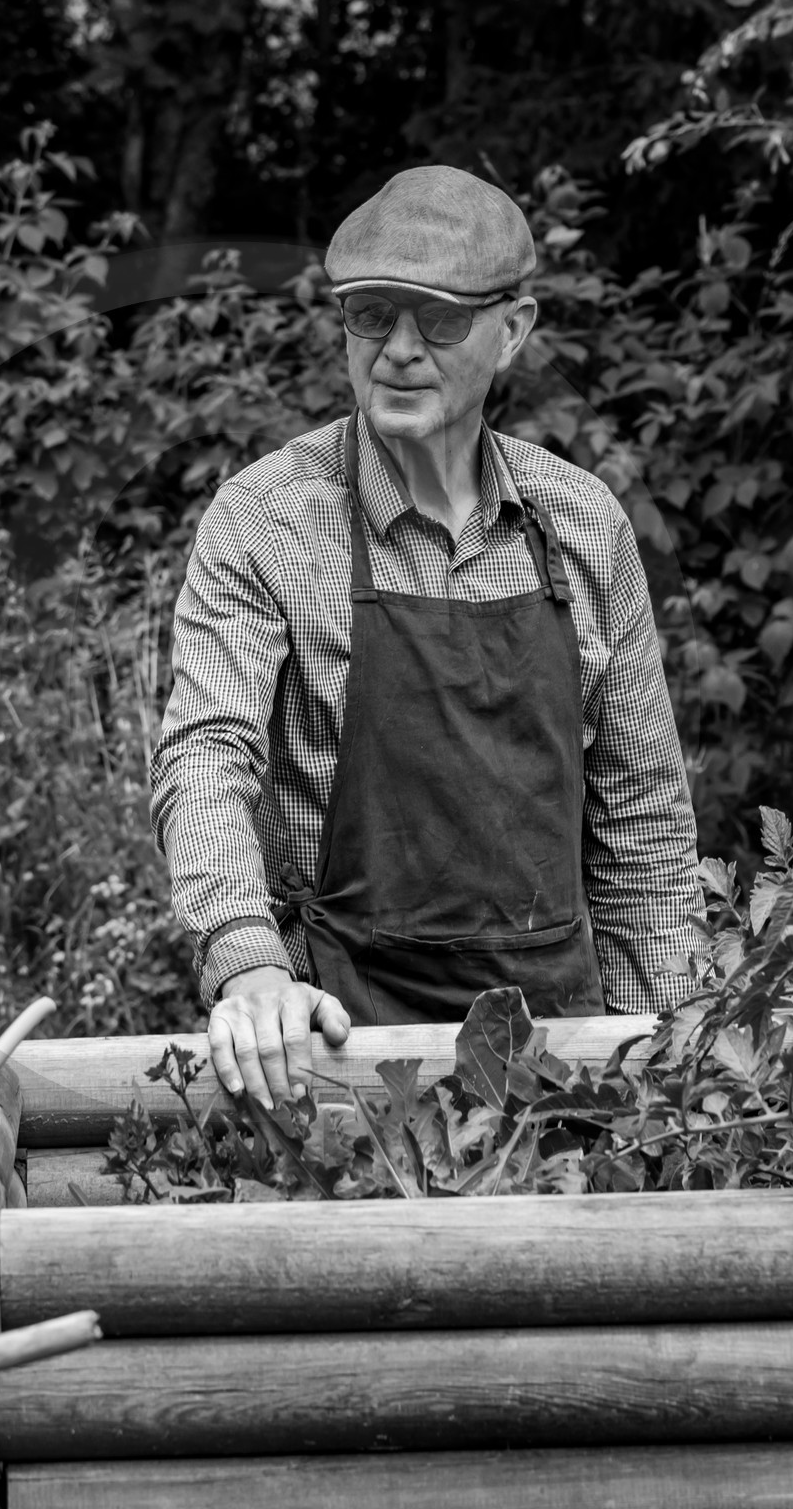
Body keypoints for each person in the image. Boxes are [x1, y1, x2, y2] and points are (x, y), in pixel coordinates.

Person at [149, 165, 702, 1110]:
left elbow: (643, 826)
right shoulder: (266, 519)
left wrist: (672, 1061)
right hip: (333, 1051)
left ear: (514, 330)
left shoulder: (581, 526)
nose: (399, 350)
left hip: (560, 1056)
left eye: (438, 321)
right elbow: (207, 752)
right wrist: (247, 965)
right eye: (372, 316)